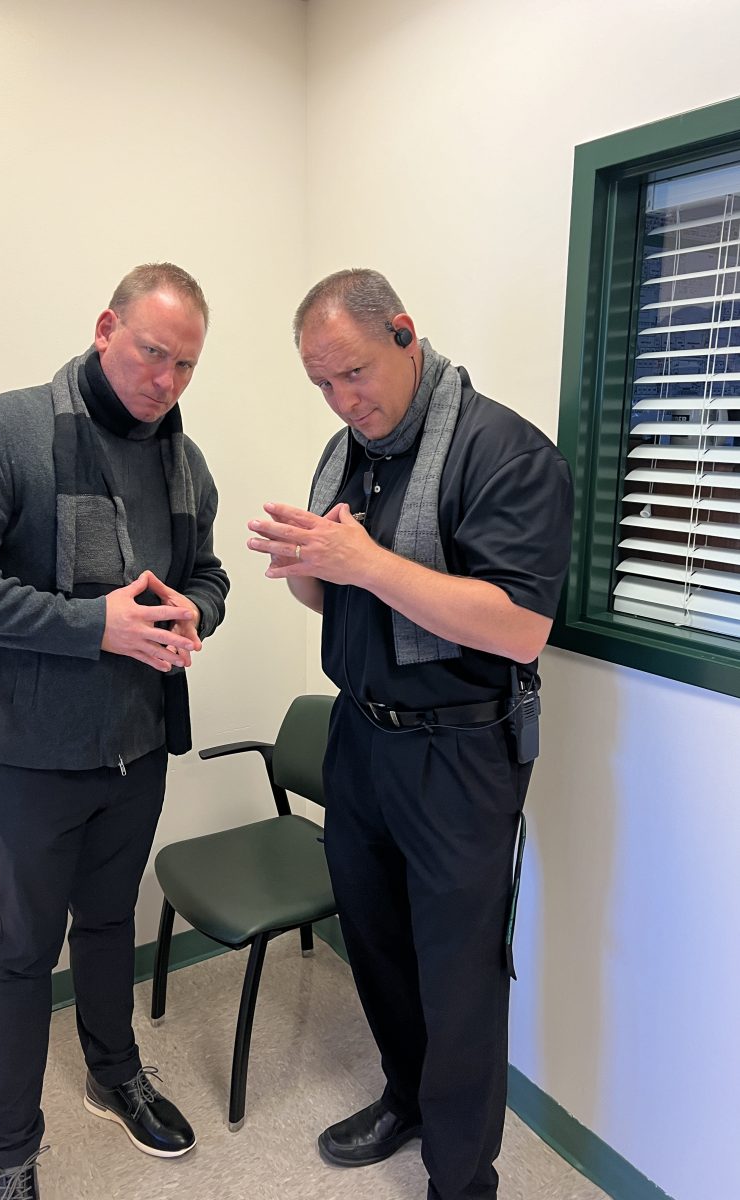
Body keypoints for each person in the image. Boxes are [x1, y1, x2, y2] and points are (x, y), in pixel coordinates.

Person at [0, 263, 229, 1200]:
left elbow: (207, 576)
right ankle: (10, 1149)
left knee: (108, 922)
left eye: (185, 366)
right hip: (31, 755)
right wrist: (95, 625)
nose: (164, 381)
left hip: (136, 748)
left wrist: (188, 613)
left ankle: (112, 1070)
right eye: (151, 352)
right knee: (20, 949)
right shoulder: (8, 432)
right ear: (105, 328)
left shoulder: (182, 459)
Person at [247, 269, 573, 1200]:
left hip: (461, 756)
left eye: (352, 373)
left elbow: (518, 626)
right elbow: (338, 593)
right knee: (379, 945)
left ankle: (462, 1181)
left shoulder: (504, 452)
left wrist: (365, 560)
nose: (344, 399)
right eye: (321, 384)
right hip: (362, 739)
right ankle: (406, 1096)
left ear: (404, 334)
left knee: (461, 980)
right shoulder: (350, 450)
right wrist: (310, 566)